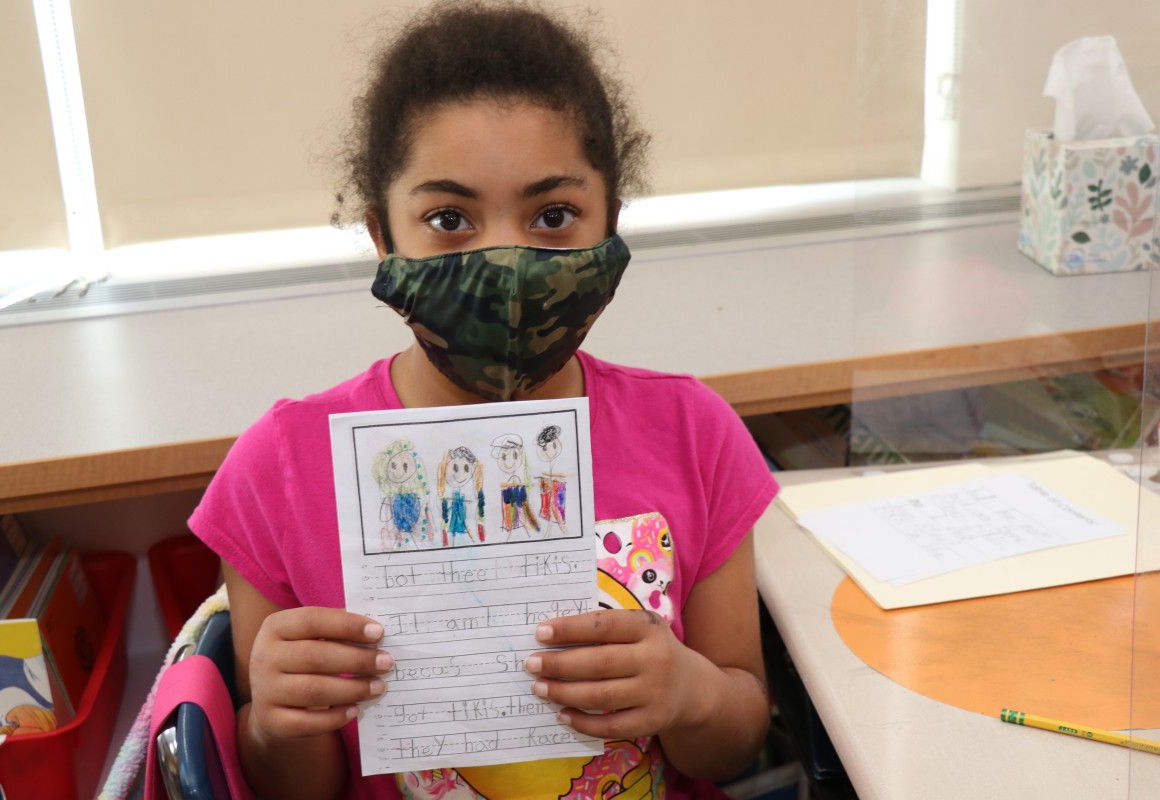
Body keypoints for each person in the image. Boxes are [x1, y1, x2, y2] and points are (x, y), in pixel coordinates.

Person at [188, 2, 779, 798]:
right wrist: (276, 720)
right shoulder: (280, 472)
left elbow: (736, 741)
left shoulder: (693, 435)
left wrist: (691, 691)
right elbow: (297, 787)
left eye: (554, 216)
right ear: (383, 240)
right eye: (449, 219)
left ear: (611, 227)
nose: (505, 262)